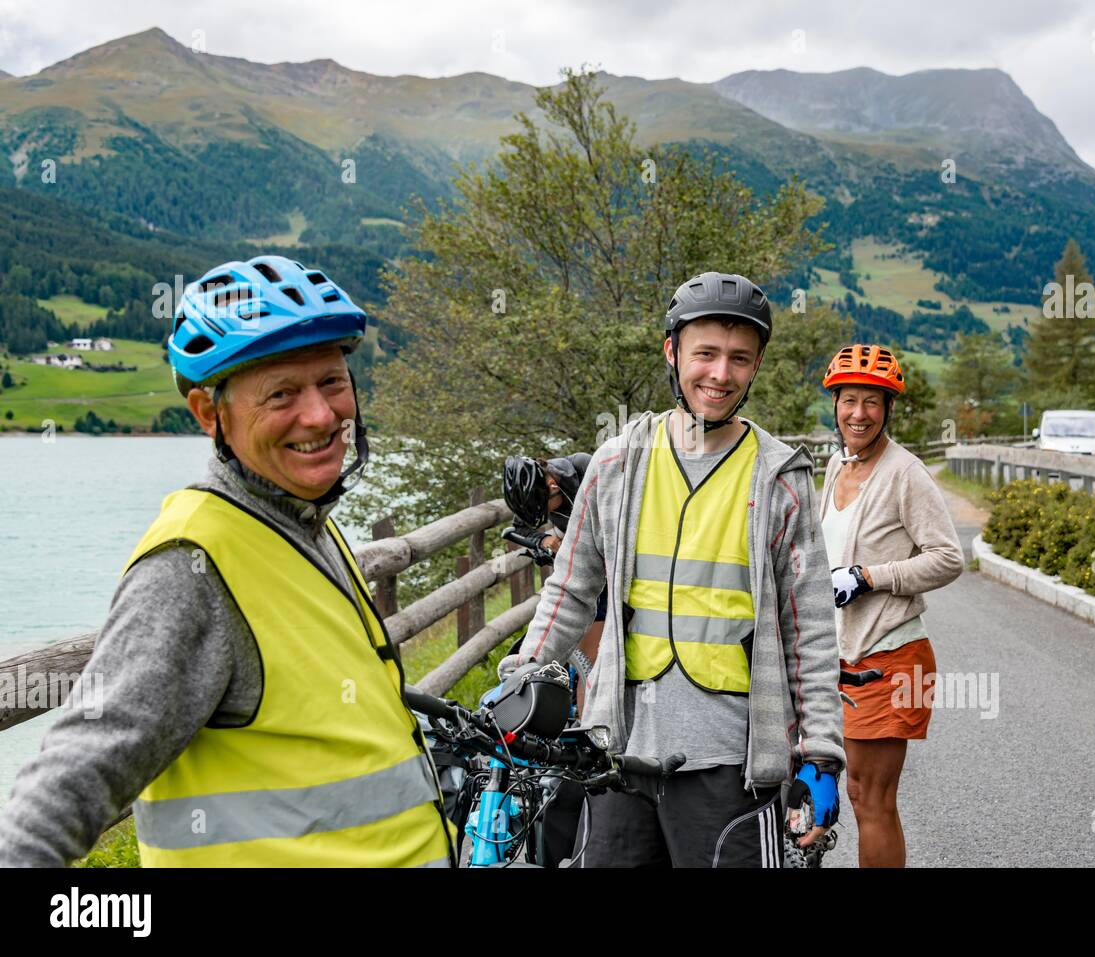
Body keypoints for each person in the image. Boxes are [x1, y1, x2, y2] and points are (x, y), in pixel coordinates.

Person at [0, 255, 454, 867]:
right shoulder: (193, 564)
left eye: (332, 381)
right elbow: (69, 780)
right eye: (282, 394)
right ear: (211, 415)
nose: (320, 415)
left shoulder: (301, 520)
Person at [498, 271, 845, 868]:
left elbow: (809, 628)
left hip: (731, 766)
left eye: (739, 358)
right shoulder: (617, 463)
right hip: (617, 754)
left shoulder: (780, 477)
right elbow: (571, 589)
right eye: (704, 353)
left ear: (756, 365)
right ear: (672, 353)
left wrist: (821, 754)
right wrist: (520, 681)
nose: (720, 374)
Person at [818, 343, 963, 868]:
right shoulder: (836, 465)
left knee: (871, 800)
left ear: (888, 409)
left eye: (872, 402)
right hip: (839, 654)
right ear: (834, 405)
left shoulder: (905, 473)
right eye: (849, 400)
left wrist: (870, 577)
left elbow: (948, 559)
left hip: (892, 657)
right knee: (838, 787)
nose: (859, 413)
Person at [502, 452, 606, 704]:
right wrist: (543, 539)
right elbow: (515, 530)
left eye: (541, 506)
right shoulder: (539, 492)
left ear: (552, 485)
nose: (540, 514)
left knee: (599, 654)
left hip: (605, 558)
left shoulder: (583, 468)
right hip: (580, 567)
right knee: (589, 663)